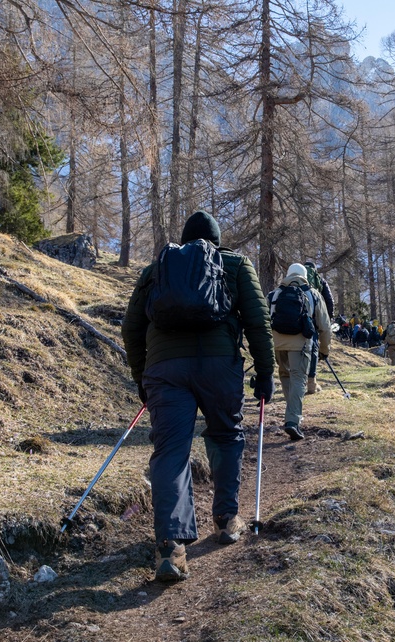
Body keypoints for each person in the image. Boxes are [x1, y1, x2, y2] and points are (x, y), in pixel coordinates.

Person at [122, 211, 275, 583]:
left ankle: (171, 547)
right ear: (216, 241)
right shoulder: (235, 264)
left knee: (170, 450)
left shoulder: (159, 267)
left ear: (184, 240)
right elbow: (257, 320)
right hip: (218, 367)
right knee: (225, 434)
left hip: (165, 369)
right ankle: (226, 519)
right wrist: (266, 373)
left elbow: (131, 326)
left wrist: (143, 377)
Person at [269, 263, 332, 440]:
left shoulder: (275, 294)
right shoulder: (313, 294)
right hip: (301, 344)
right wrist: (324, 350)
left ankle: (292, 414)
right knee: (299, 378)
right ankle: (293, 420)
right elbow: (325, 327)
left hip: (277, 344)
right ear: (304, 275)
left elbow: (264, 322)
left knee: (285, 375)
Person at [303, 262, 333, 395]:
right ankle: (311, 384)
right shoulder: (320, 280)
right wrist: (327, 318)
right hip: (313, 320)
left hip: (293, 321)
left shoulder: (296, 278)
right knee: (313, 350)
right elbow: (329, 300)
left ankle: (293, 381)